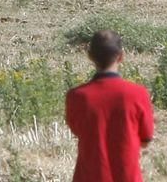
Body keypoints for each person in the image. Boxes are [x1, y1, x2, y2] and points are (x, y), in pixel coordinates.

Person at [65, 30, 153, 182]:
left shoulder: (77, 96)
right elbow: (146, 138)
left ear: (90, 56)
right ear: (121, 56)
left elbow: (77, 130)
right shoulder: (138, 94)